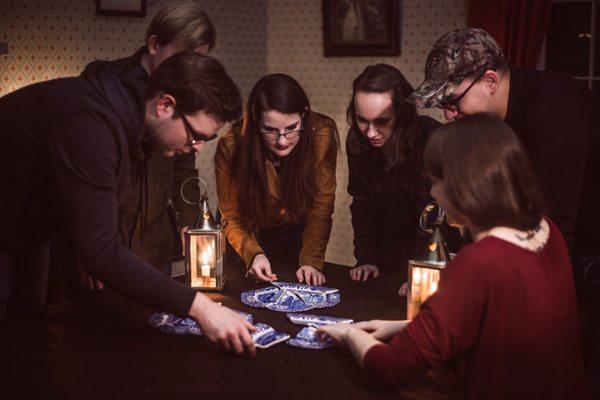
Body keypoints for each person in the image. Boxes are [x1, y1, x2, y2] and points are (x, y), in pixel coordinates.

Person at [0, 51, 257, 355]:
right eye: (195, 136)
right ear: (165, 106)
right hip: (8, 232)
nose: (197, 147)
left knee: (27, 338)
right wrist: (202, 308)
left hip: (31, 235)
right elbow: (101, 251)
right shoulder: (92, 124)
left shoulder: (133, 120)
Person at [319, 113, 590, 399]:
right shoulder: (547, 229)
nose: (434, 193)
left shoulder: (480, 261)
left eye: (436, 182)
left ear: (463, 186)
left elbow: (389, 367)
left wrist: (349, 333)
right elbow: (499, 325)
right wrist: (402, 327)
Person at [409, 27, 600, 394]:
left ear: (491, 81)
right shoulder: (497, 123)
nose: (448, 115)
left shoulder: (557, 112)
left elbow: (549, 229)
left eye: (453, 101)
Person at [75, 1, 217, 289]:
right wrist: (87, 248)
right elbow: (80, 181)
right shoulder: (106, 87)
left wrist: (189, 224)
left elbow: (184, 169)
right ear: (154, 45)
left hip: (154, 247)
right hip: (106, 245)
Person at [215, 74, 338, 286]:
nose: (282, 141)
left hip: (294, 226)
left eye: (291, 128)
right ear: (255, 122)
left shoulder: (322, 134)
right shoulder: (231, 145)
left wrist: (311, 261)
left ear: (304, 115)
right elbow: (232, 216)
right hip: (245, 230)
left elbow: (321, 205)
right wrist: (253, 254)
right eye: (270, 130)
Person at [345, 64, 439, 284]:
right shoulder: (357, 140)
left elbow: (429, 215)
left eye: (382, 121)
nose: (370, 133)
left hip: (429, 252)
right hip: (384, 253)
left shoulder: (430, 138)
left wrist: (418, 270)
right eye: (362, 120)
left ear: (402, 112)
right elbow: (362, 203)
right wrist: (366, 259)